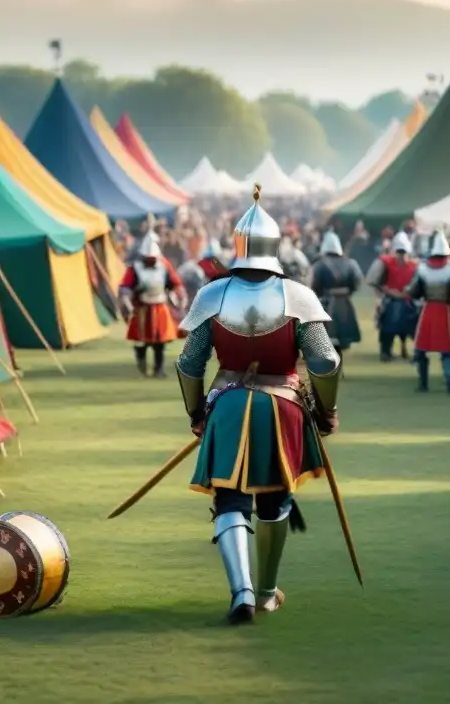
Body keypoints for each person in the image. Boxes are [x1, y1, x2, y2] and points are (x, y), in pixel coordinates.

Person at [174, 186, 341, 624]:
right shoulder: (297, 296)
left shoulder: (213, 295)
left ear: (238, 246)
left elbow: (189, 364)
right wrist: (327, 412)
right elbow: (325, 362)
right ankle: (266, 592)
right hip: (282, 407)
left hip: (227, 406)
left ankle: (241, 592)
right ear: (275, 247)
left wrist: (195, 414)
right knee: (274, 500)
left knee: (229, 498)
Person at [405, 231, 450, 394]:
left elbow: (414, 291)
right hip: (446, 312)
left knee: (421, 349)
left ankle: (423, 383)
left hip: (428, 311)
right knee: (446, 349)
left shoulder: (422, 269)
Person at [118, 235, 187, 378]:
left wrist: (180, 297)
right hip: (142, 308)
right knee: (144, 340)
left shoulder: (164, 266)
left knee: (160, 342)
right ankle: (141, 355)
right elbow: (125, 287)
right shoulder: (134, 268)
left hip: (160, 306)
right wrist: (128, 304)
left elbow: (175, 283)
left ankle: (159, 369)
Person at [309, 231, 363, 363]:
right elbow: (357, 281)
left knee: (327, 335)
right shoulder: (351, 263)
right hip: (344, 302)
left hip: (325, 302)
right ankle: (338, 361)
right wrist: (348, 292)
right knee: (342, 334)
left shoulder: (319, 264)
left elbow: (313, 284)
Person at [367, 232, 419, 362]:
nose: (401, 255)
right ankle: (386, 352)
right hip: (391, 299)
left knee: (412, 328)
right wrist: (387, 291)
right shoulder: (384, 262)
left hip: (408, 300)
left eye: (403, 252)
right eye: (399, 252)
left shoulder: (415, 265)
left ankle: (412, 352)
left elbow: (418, 282)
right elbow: (374, 281)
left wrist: (409, 292)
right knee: (387, 328)